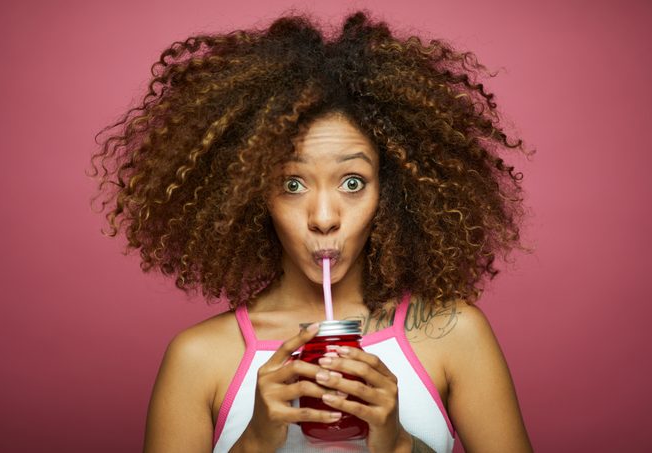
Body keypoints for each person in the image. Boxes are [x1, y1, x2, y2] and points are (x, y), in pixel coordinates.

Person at [89, 9, 534, 453]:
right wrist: (256, 443)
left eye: (353, 183)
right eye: (293, 184)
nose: (324, 217)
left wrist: (400, 444)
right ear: (250, 193)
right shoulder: (198, 359)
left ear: (394, 192)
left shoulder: (454, 334)